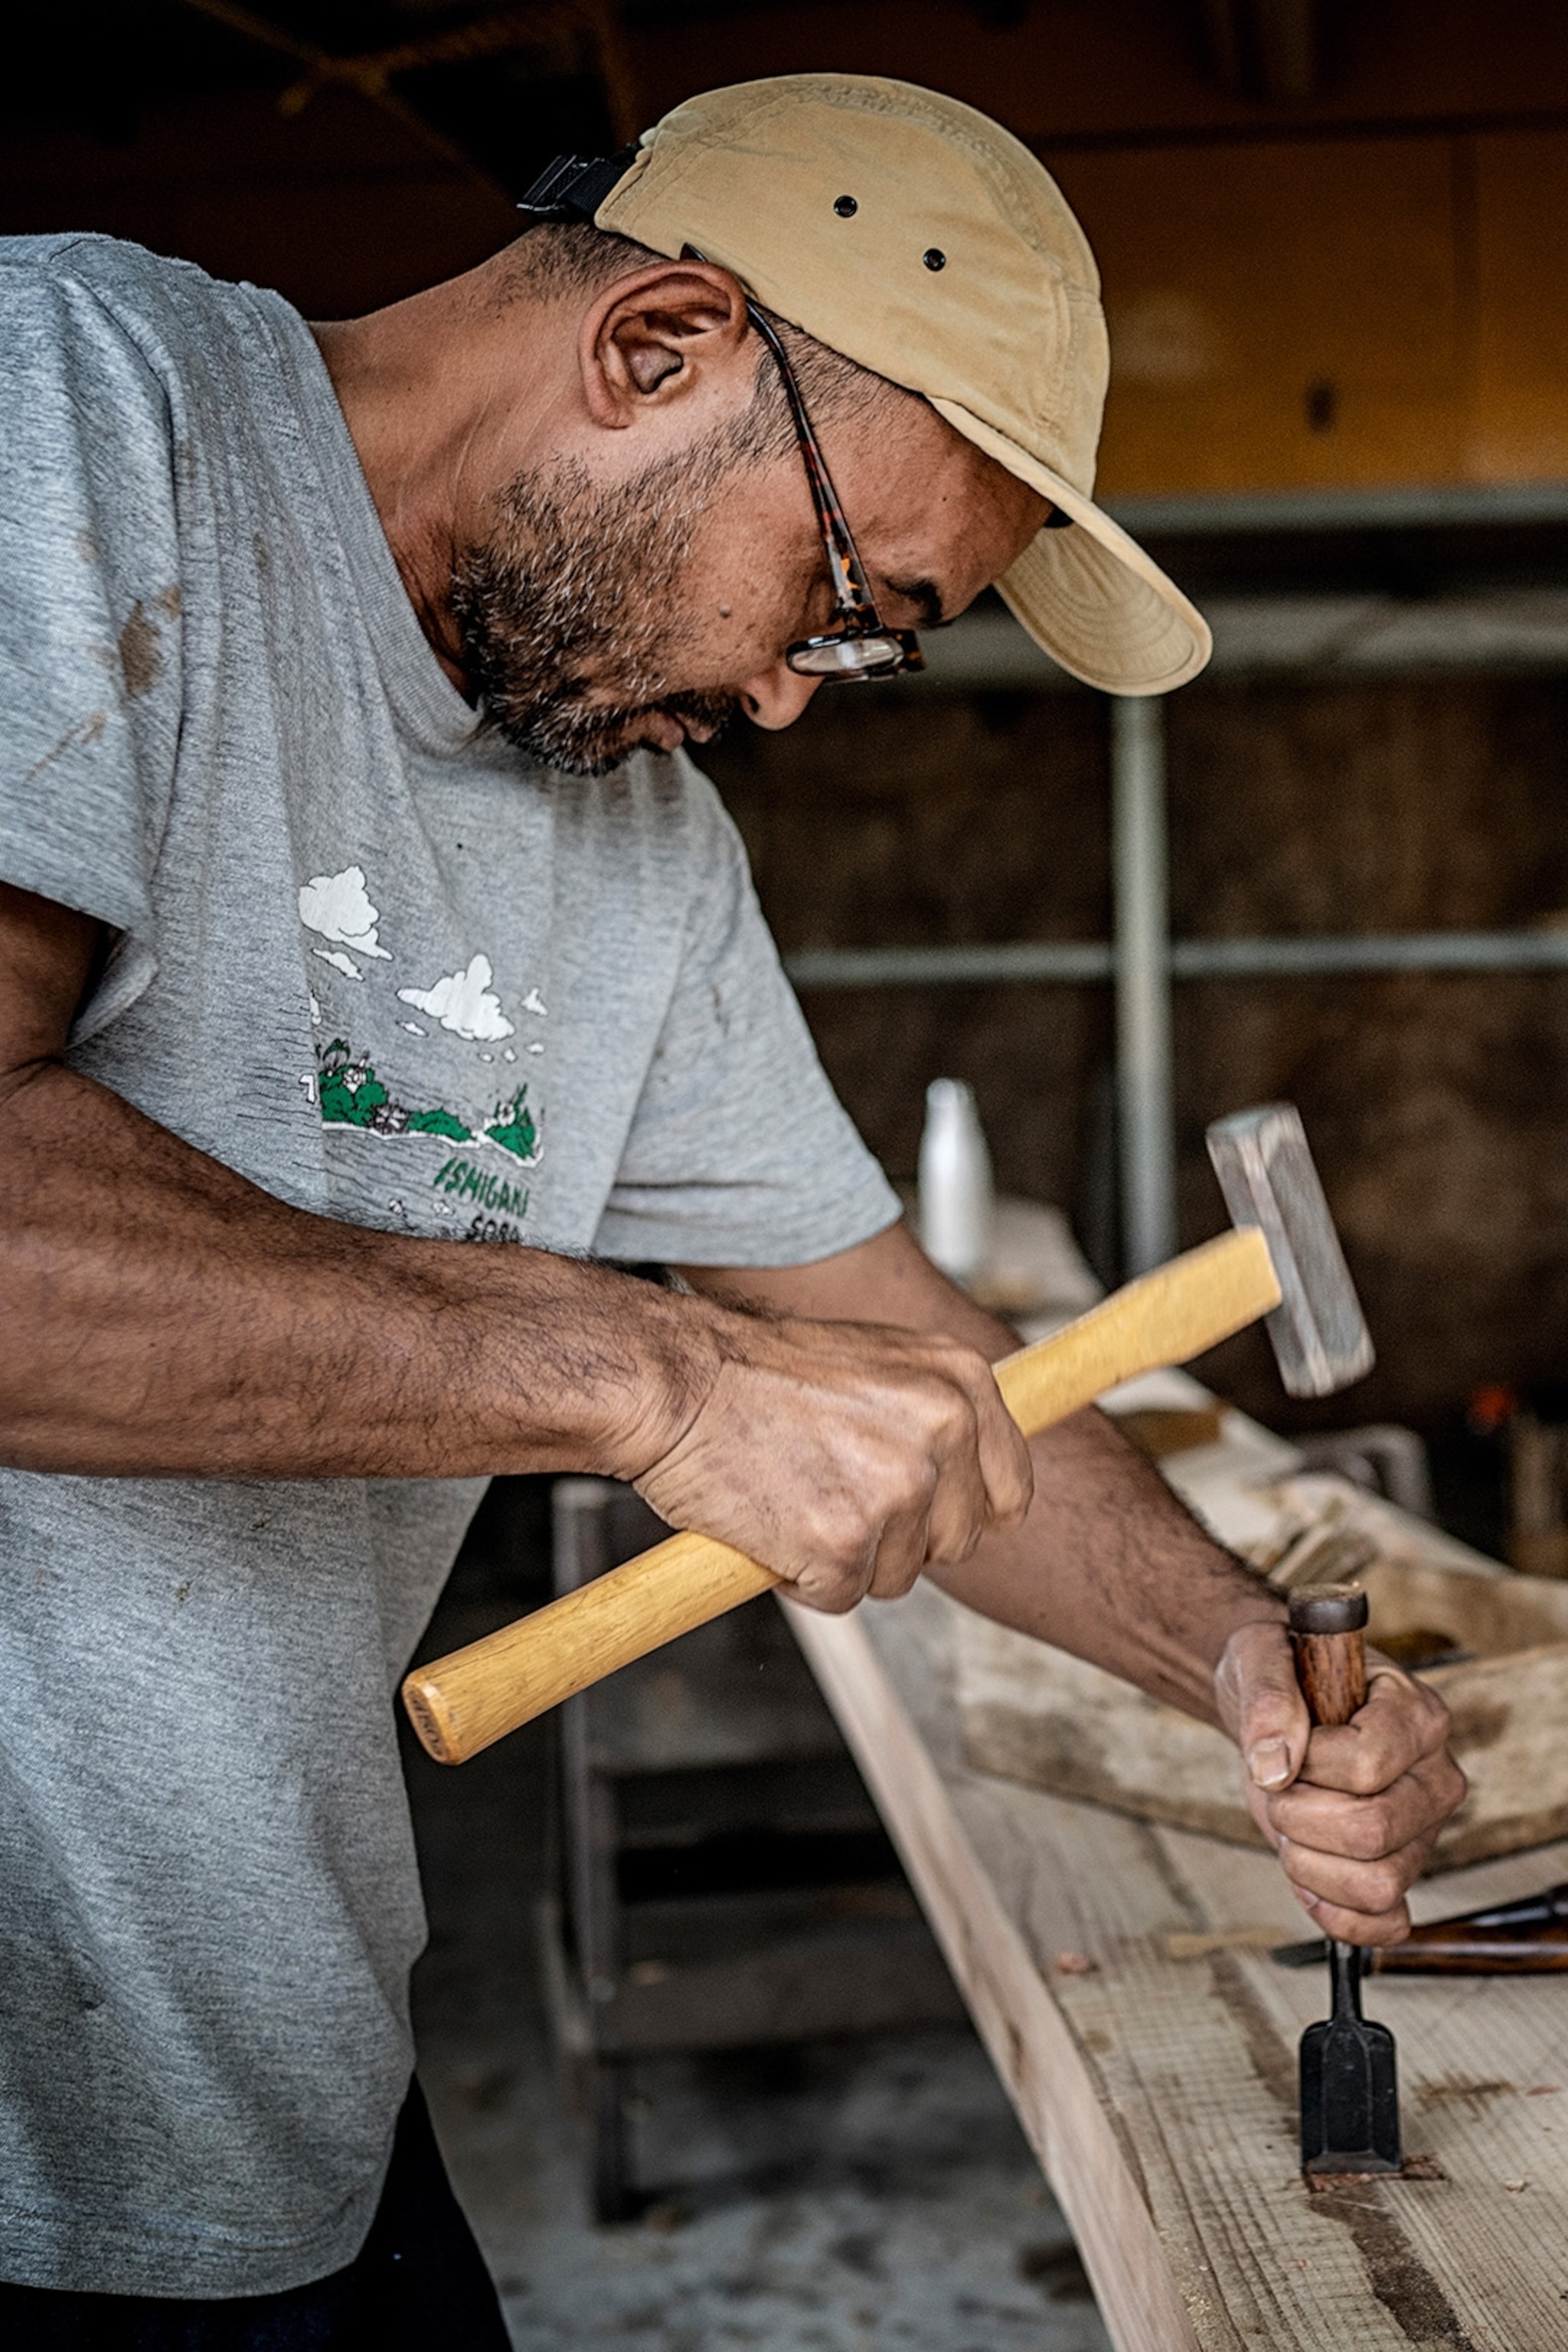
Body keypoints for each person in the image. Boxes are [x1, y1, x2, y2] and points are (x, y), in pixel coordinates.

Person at [0, 71, 1461, 2347]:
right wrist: (658, 1379)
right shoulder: (72, 412)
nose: (791, 694)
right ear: (657, 343)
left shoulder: (638, 859)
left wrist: (1239, 1660)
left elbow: (917, 1359)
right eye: (840, 598)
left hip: (253, 2118)